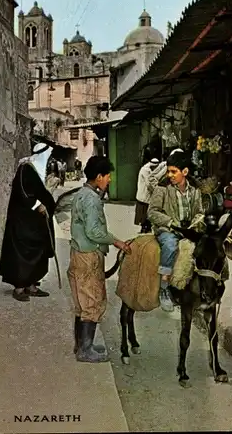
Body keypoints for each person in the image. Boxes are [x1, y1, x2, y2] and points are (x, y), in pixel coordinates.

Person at [68, 156, 132, 363]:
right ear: (99, 177)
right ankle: (85, 350)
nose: (110, 180)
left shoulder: (81, 194)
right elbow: (94, 232)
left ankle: (82, 345)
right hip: (88, 256)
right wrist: (118, 242)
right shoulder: (92, 199)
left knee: (82, 302)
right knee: (92, 301)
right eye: (108, 176)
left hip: (78, 254)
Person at [0, 143, 56, 302]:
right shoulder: (25, 169)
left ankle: (31, 286)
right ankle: (19, 288)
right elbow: (23, 191)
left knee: (39, 252)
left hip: (35, 223)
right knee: (22, 253)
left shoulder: (36, 170)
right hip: (22, 222)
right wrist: (37, 205)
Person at [147, 151, 204, 312]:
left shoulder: (195, 190)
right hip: (168, 230)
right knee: (171, 245)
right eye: (169, 171)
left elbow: (199, 211)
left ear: (185, 172)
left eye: (174, 171)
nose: (170, 175)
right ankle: (164, 288)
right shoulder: (162, 188)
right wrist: (171, 223)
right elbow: (152, 212)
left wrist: (196, 222)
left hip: (188, 229)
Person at [134, 158, 160, 233]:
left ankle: (146, 228)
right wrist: (156, 191)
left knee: (145, 212)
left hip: (145, 195)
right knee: (144, 213)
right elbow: (149, 183)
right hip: (144, 195)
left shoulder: (147, 169)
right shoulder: (146, 170)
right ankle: (145, 228)